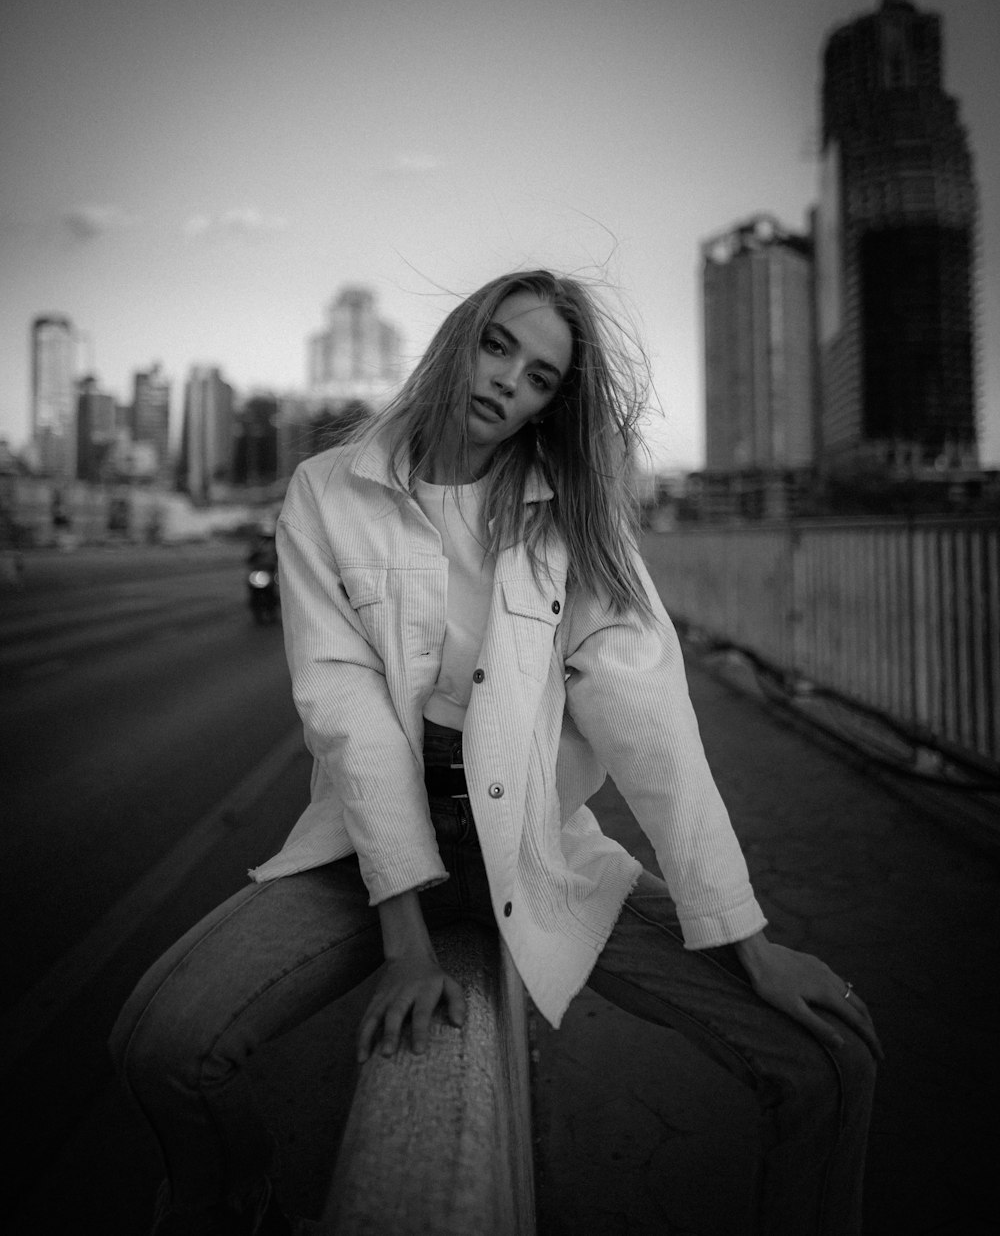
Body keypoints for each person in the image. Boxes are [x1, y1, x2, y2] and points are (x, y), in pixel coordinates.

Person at [111, 269, 881, 1235]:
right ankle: (238, 1199)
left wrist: (748, 940)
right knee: (159, 1042)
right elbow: (348, 714)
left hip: (531, 846)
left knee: (831, 1056)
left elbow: (650, 721)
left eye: (544, 376)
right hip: (368, 855)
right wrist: (408, 946)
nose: (510, 380)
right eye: (498, 345)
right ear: (459, 339)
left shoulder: (571, 519)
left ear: (554, 403)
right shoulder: (325, 492)